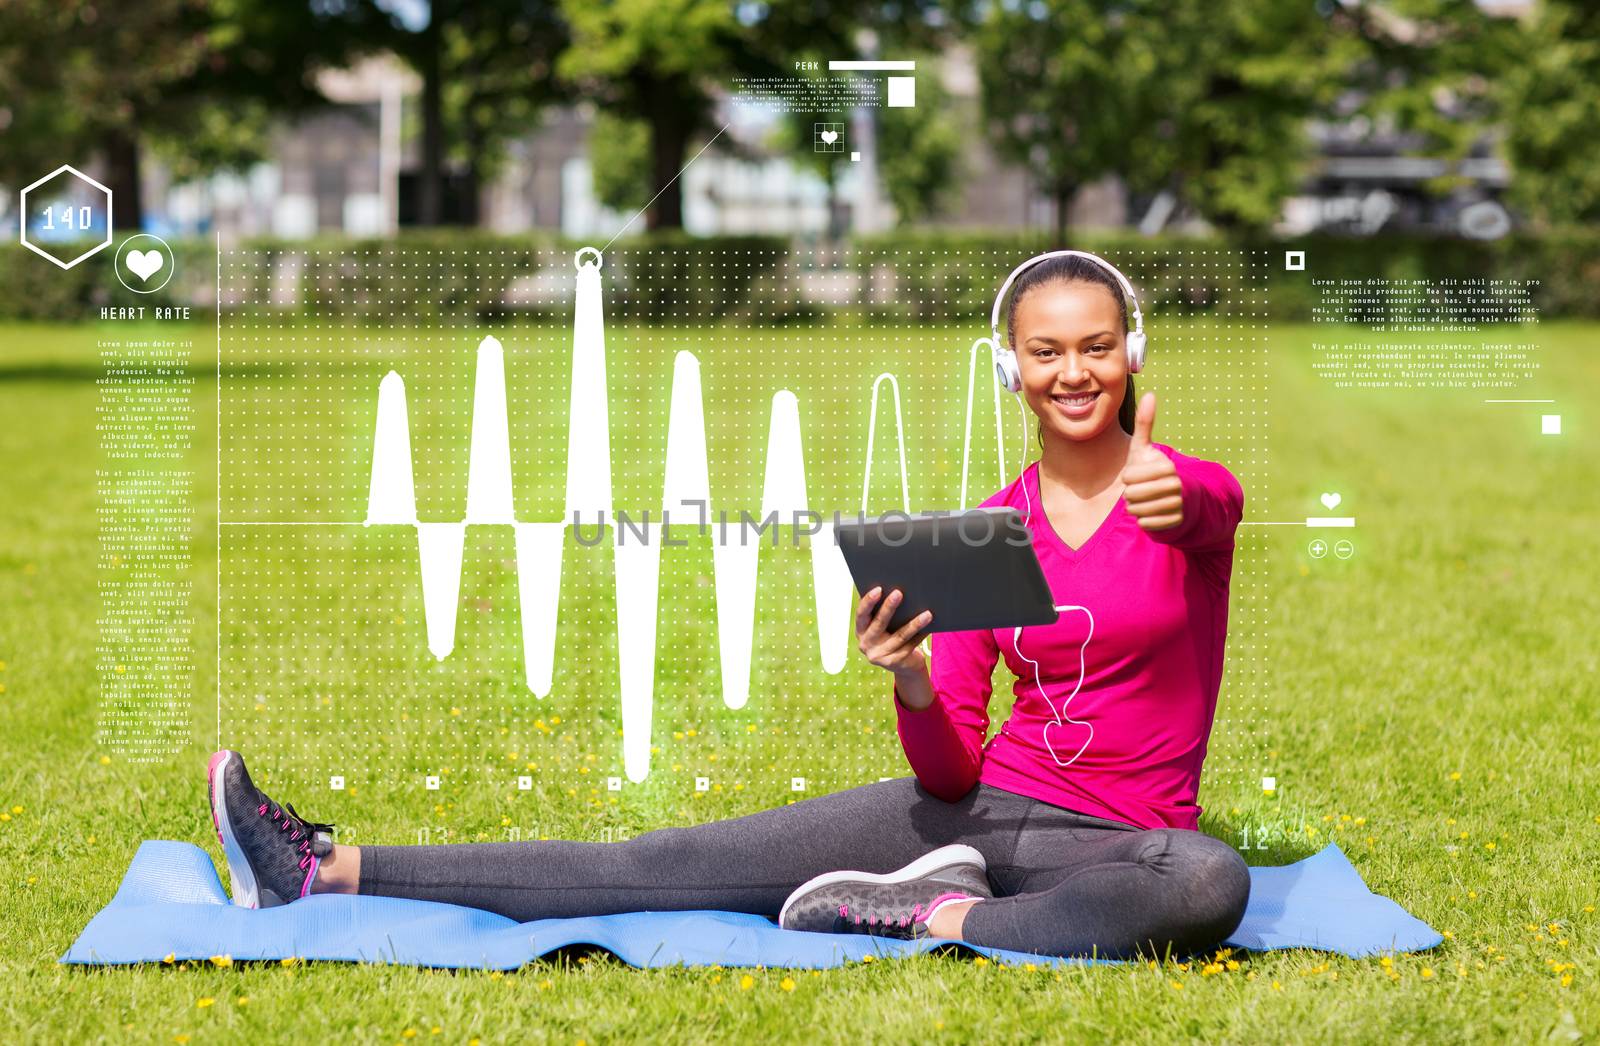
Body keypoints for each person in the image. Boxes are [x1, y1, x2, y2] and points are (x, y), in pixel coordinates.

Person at [205, 251, 1250, 959]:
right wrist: (915, 682)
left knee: (1207, 880)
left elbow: (1212, 508)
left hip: (1123, 838)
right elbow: (950, 768)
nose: (1074, 371)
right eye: (1046, 350)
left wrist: (1174, 493)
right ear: (1011, 369)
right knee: (657, 863)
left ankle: (937, 912)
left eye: (1097, 345)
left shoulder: (1188, 494)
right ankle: (322, 869)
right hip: (979, 810)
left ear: (1132, 353)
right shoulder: (988, 526)